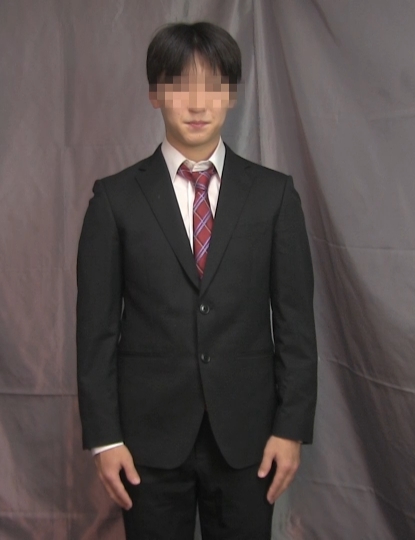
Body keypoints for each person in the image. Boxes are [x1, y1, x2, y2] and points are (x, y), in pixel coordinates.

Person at [76, 21, 317, 539]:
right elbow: (95, 331)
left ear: (232, 94)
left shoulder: (273, 197)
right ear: (154, 93)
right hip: (146, 440)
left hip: (249, 439)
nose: (197, 103)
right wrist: (104, 438)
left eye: (213, 86)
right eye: (180, 86)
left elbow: (296, 324)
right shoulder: (115, 200)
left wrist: (291, 428)